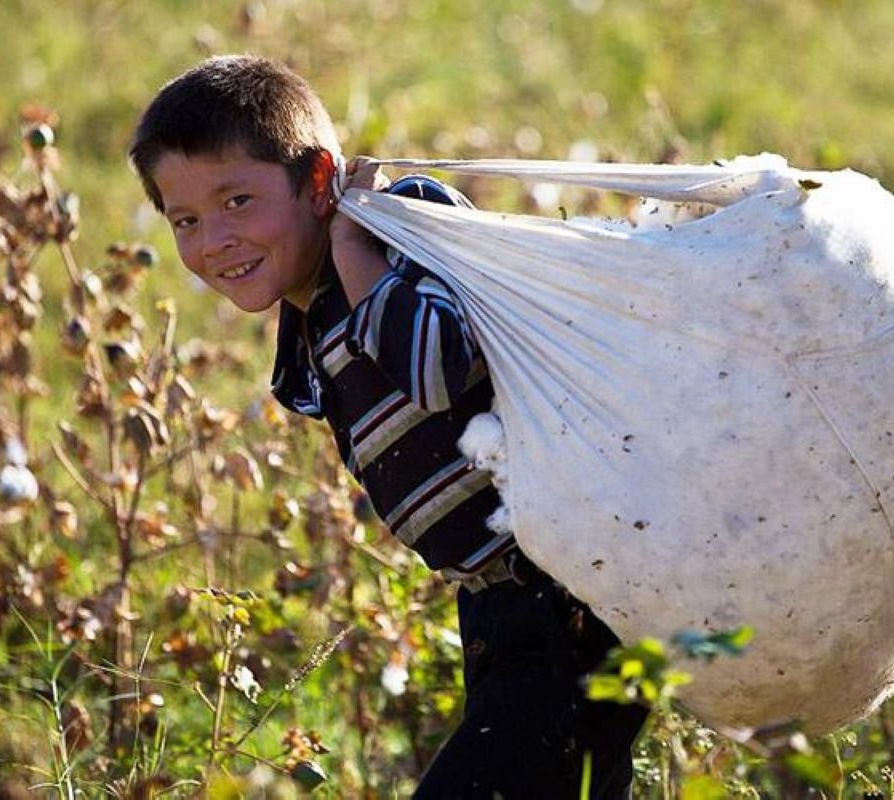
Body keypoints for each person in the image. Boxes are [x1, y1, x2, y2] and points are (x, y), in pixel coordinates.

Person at [128, 54, 647, 797]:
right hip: (496, 604)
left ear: (318, 183)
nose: (213, 240)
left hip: (566, 594)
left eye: (237, 201)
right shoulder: (309, 322)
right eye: (185, 220)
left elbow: (438, 371)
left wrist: (352, 244)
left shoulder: (403, 235)